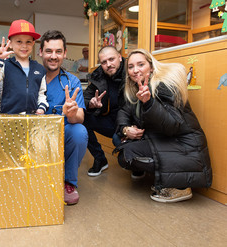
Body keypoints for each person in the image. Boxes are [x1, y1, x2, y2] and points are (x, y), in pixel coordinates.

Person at [115, 48, 212, 203]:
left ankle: (179, 187)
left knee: (128, 154)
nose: (135, 70)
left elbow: (172, 125)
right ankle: (170, 179)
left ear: (151, 66)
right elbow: (124, 111)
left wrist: (149, 103)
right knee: (121, 146)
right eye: (131, 67)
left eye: (140, 64)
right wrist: (126, 129)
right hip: (167, 141)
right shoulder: (136, 89)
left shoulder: (163, 86)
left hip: (185, 146)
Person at [39, 30, 88, 205]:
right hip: (35, 139)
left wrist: (72, 113)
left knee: (78, 131)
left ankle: (68, 181)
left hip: (60, 138)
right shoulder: (31, 77)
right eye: (49, 51)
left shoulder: (71, 81)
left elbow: (81, 116)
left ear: (65, 53)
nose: (53, 56)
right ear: (40, 52)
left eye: (58, 51)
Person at [0, 19, 48, 114]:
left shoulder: (39, 69)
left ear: (33, 43)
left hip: (32, 120)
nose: (24, 46)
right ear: (9, 43)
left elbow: (41, 94)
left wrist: (42, 108)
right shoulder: (4, 65)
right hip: (9, 119)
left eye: (28, 42)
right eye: (19, 41)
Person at [83, 46, 126, 177]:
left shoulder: (132, 71)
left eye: (111, 59)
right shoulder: (98, 76)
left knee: (117, 140)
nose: (108, 64)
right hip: (111, 123)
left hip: (131, 124)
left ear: (119, 57)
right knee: (81, 118)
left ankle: (136, 164)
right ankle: (100, 159)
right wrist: (91, 104)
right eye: (104, 62)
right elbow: (84, 99)